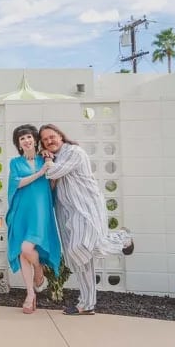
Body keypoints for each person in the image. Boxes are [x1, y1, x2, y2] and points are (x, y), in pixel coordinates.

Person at [39, 124, 134, 316]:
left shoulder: (74, 152)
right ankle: (86, 304)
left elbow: (53, 173)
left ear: (60, 136)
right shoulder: (57, 156)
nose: (49, 141)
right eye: (45, 140)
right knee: (81, 257)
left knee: (81, 248)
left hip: (86, 208)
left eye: (52, 136)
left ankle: (122, 239)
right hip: (68, 212)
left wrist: (47, 160)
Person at [6, 125, 61, 314]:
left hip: (40, 211)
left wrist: (48, 167)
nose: (26, 141)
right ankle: (30, 294)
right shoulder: (15, 162)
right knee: (22, 253)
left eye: (29, 137)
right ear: (18, 144)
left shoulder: (45, 158)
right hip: (21, 212)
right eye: (22, 139)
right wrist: (40, 172)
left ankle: (38, 268)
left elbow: (52, 184)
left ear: (35, 139)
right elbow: (17, 183)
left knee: (26, 248)